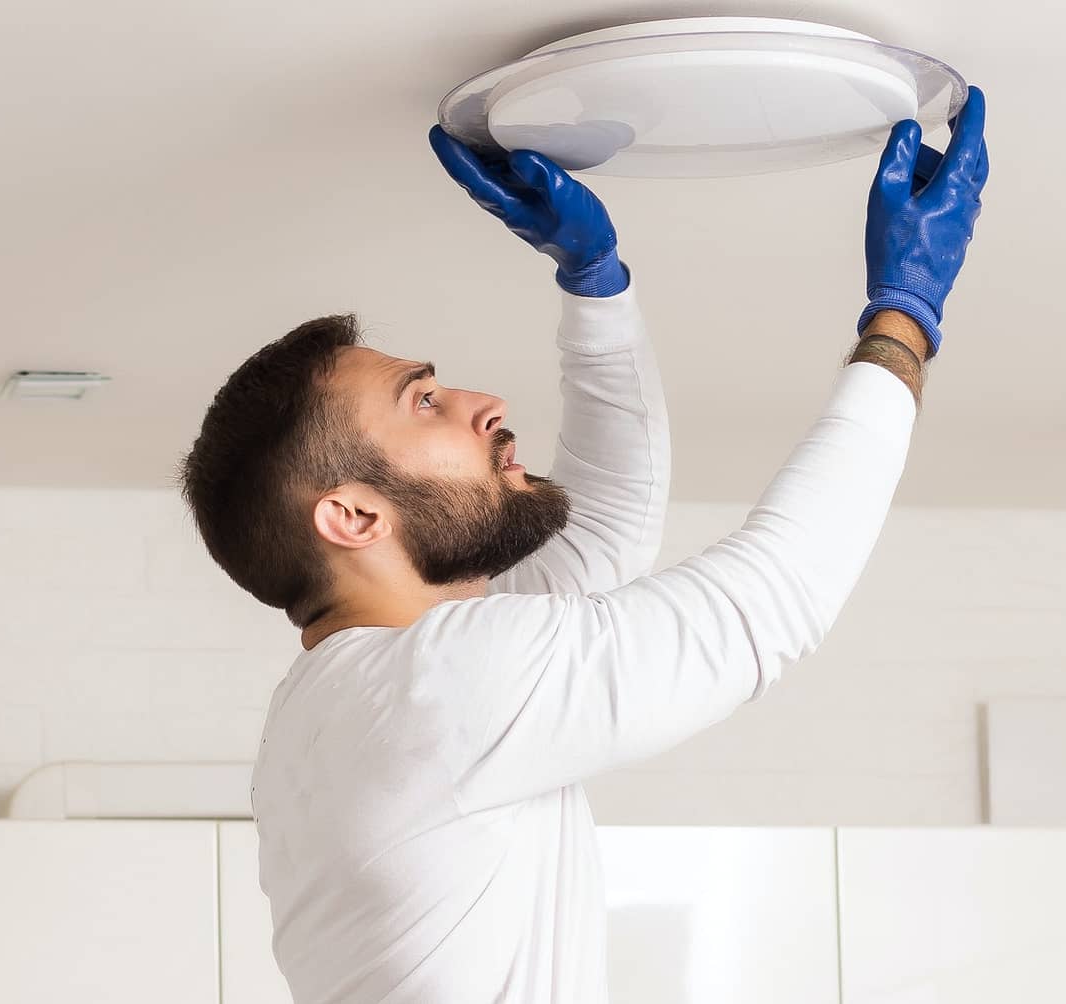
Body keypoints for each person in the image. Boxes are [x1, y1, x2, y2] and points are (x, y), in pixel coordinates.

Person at [180, 86, 989, 1004]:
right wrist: (905, 318)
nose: (482, 402)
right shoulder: (431, 689)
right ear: (354, 517)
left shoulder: (361, 698)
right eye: (424, 402)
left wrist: (595, 282)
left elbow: (605, 526)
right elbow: (770, 600)